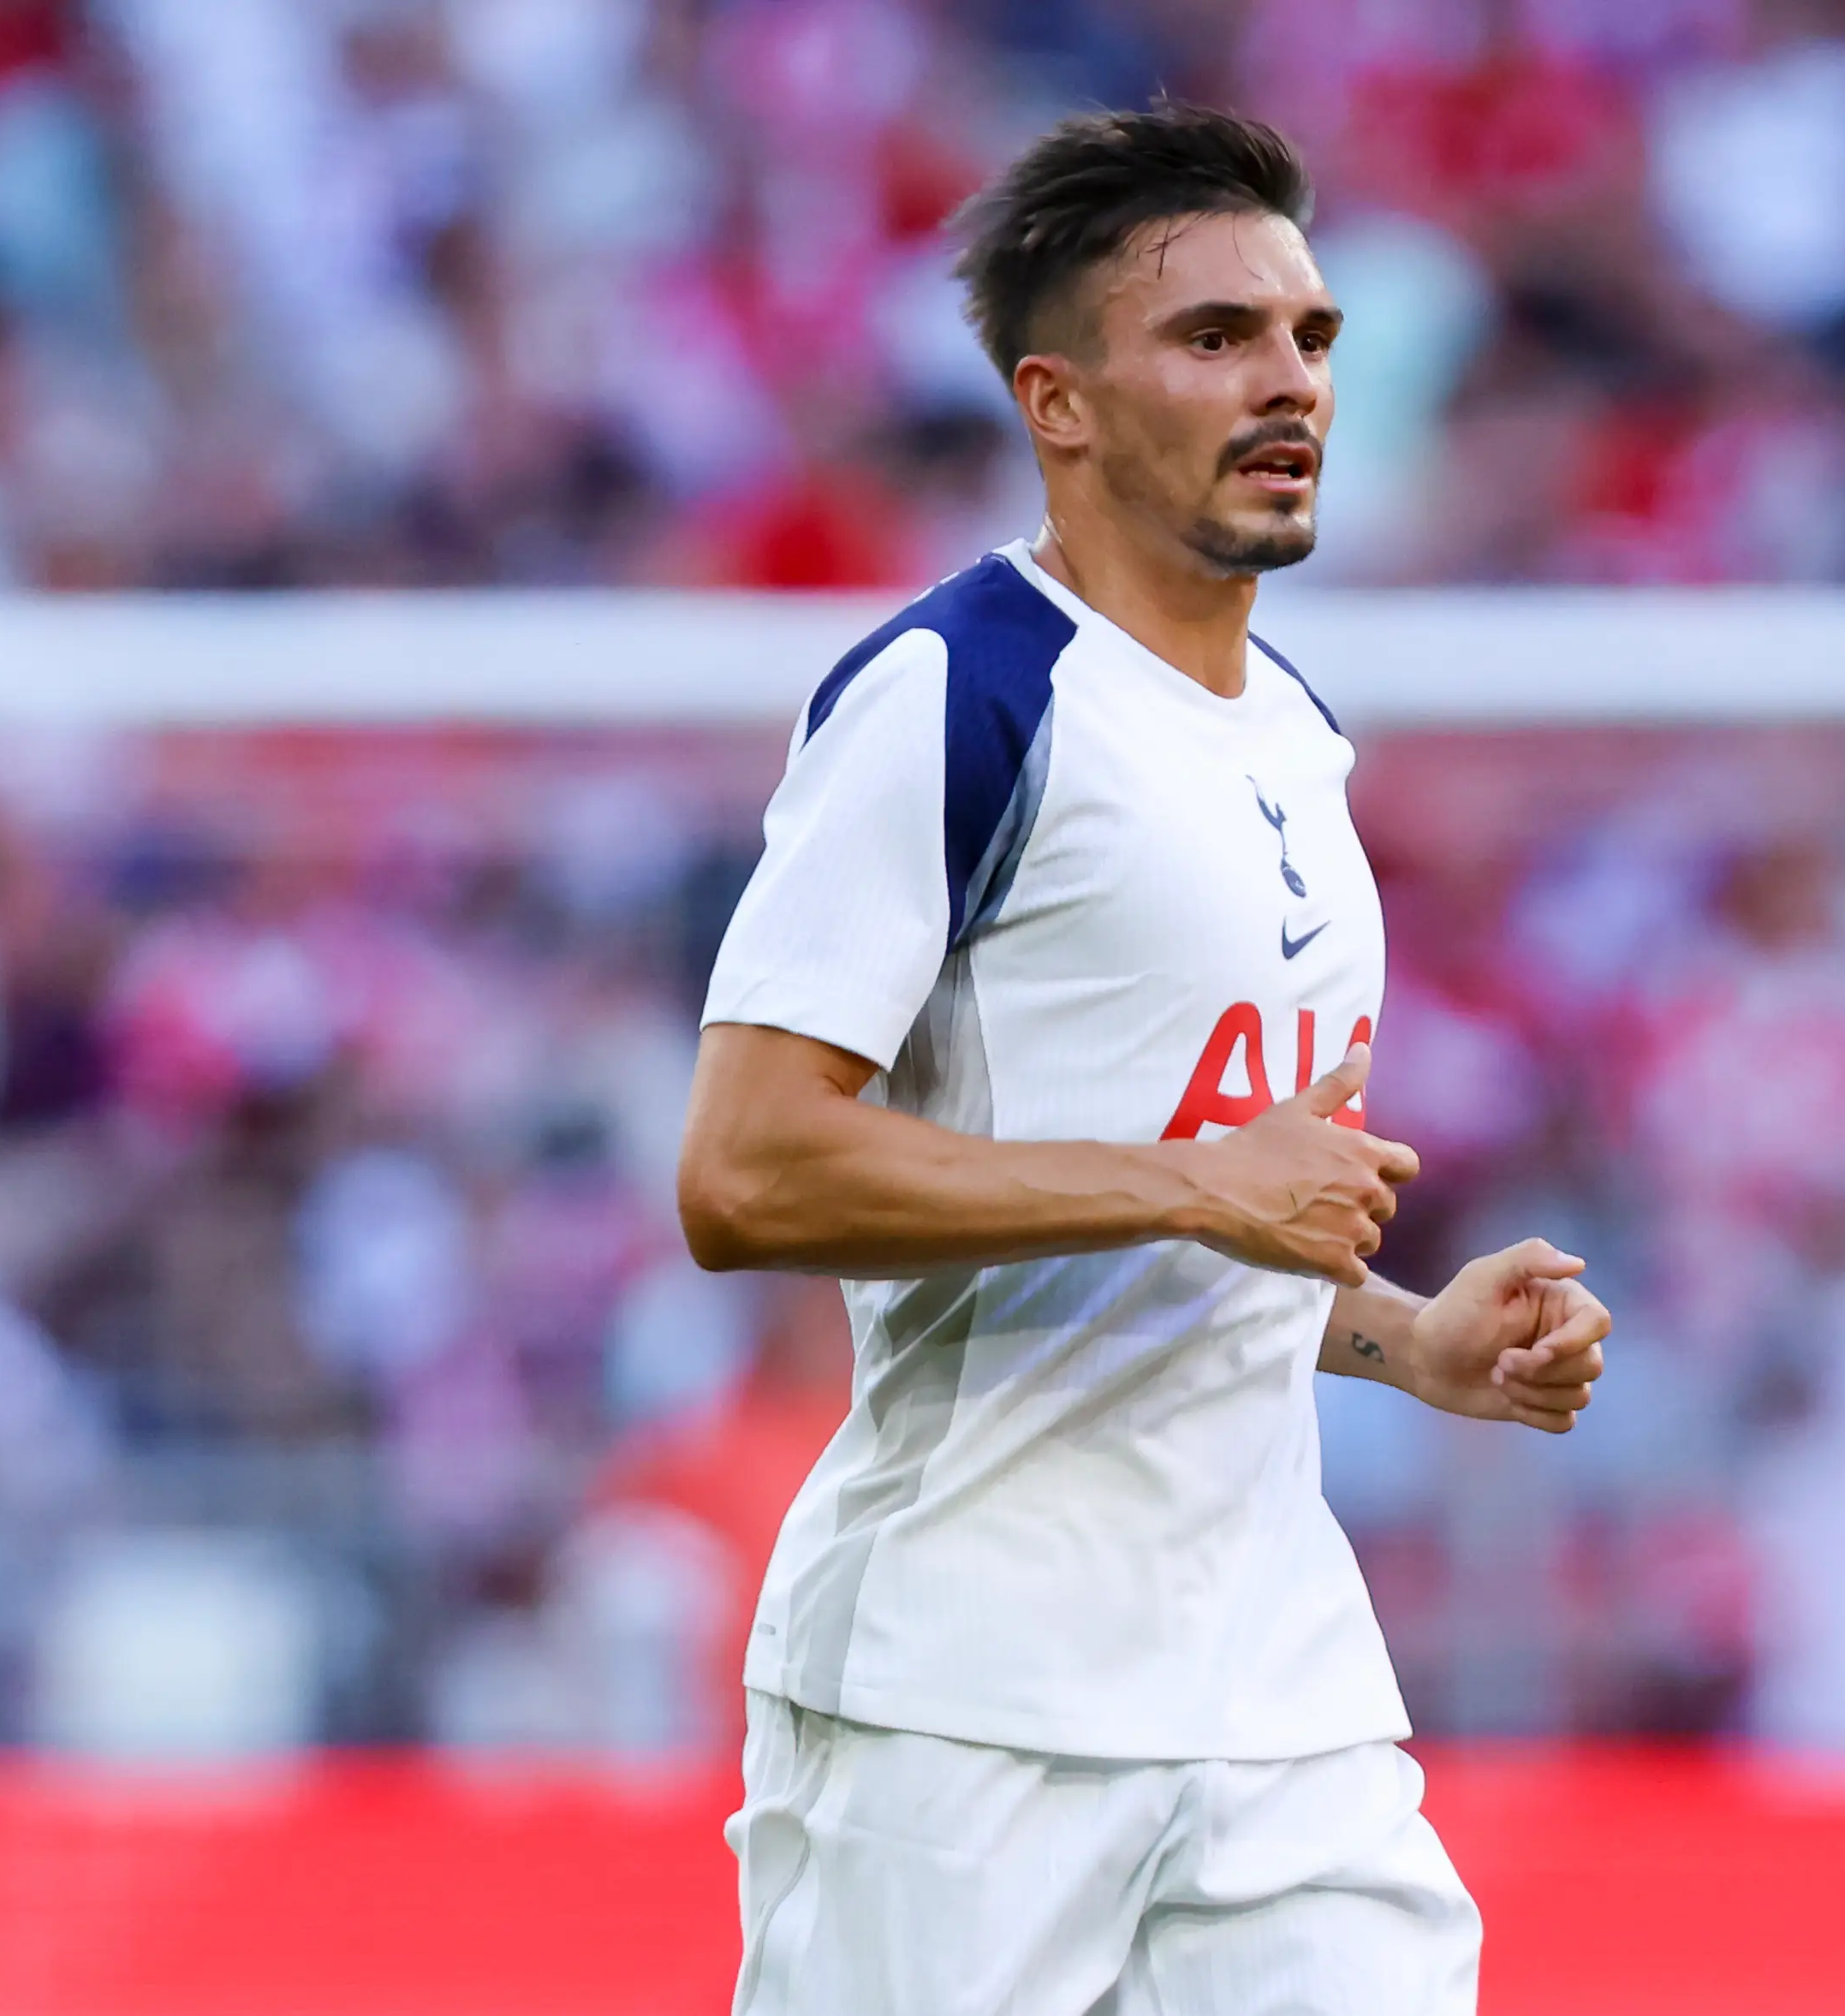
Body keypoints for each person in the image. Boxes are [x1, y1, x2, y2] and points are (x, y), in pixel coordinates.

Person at [676, 103, 1611, 2016]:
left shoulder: (1295, 735)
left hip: (1277, 1693)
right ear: (1061, 402)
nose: (1287, 383)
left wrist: (1403, 1333)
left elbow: (1235, 1210)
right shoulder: (959, 695)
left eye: (1312, 337)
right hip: (967, 1696)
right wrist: (1198, 1180)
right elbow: (746, 1171)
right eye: (1214, 339)